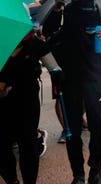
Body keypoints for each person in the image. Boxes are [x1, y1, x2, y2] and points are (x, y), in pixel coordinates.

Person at [43, 0, 101, 184]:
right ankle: (78, 175)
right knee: (72, 132)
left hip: (96, 80)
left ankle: (96, 173)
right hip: (69, 80)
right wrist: (57, 8)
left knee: (98, 128)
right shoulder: (63, 11)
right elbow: (47, 34)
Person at [0, 27, 64, 184]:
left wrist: (58, 75)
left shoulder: (35, 43)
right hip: (2, 104)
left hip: (27, 102)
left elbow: (55, 70)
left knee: (27, 146)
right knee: (2, 146)